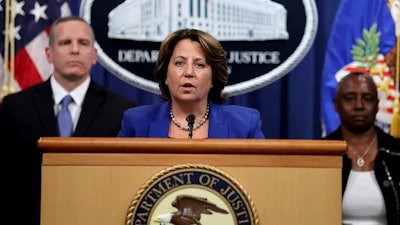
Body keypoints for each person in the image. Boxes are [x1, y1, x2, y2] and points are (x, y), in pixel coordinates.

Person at [0, 16, 135, 225]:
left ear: (94, 55)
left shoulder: (121, 110)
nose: (75, 50)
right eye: (65, 43)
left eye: (83, 43)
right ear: (49, 53)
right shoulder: (15, 106)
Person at [117, 29, 265, 139]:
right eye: (179, 63)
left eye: (199, 65)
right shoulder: (136, 123)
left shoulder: (245, 125)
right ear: (165, 75)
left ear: (214, 77)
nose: (188, 72)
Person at [323, 72, 400, 225]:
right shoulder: (321, 153)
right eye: (350, 98)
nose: (359, 105)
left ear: (377, 105)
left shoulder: (397, 153)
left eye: (367, 98)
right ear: (336, 104)